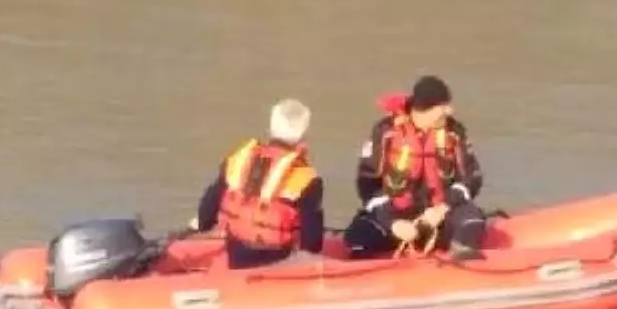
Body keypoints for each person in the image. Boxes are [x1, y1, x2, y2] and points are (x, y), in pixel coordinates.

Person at [344, 76, 489, 259]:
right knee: (358, 237)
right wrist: (393, 224)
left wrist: (443, 207)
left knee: (472, 222)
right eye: (443, 106)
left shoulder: (455, 132)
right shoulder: (385, 133)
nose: (450, 111)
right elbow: (367, 185)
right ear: (426, 109)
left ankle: (459, 262)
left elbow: (471, 178)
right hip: (396, 215)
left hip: (440, 215)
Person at [193, 99, 325, 268]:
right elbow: (312, 245)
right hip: (278, 266)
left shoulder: (237, 162)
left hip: (237, 261)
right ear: (304, 137)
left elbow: (205, 218)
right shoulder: (307, 179)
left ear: (270, 130)